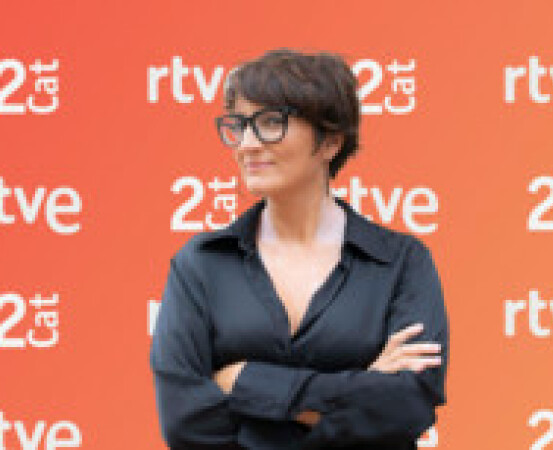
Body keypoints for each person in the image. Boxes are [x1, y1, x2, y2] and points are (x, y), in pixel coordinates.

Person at [150, 48, 450, 450]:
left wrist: (245, 382)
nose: (247, 144)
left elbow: (407, 406)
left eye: (271, 123)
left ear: (330, 142)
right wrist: (362, 387)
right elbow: (184, 423)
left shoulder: (402, 262)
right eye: (239, 125)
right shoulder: (201, 264)